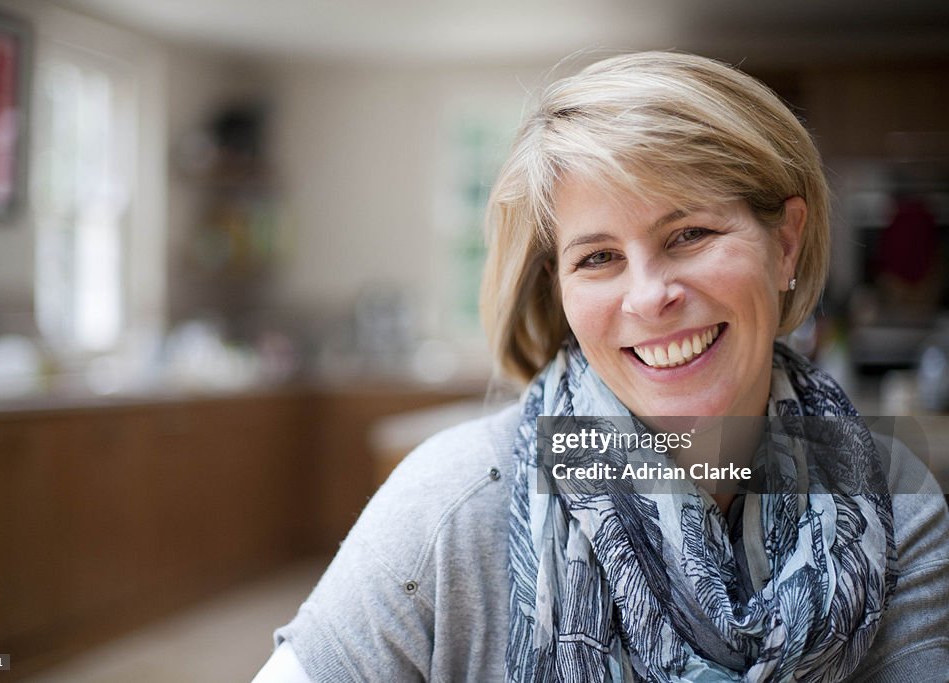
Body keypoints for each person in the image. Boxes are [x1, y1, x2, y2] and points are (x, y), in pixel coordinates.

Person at [253, 51, 949, 682]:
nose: (649, 296)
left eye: (690, 234)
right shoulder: (455, 502)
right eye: (598, 257)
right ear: (559, 286)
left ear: (786, 243)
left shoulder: (891, 492)